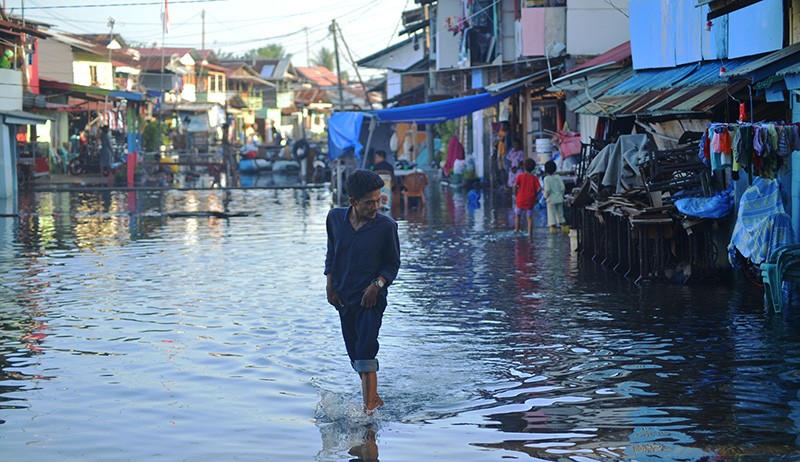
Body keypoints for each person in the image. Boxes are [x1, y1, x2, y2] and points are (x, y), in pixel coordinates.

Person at [325, 170, 401, 414]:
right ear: (353, 202)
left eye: (378, 200)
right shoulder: (335, 219)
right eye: (369, 202)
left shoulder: (386, 227)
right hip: (343, 298)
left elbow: (392, 264)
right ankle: (374, 397)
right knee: (355, 355)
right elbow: (332, 254)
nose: (375, 206)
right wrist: (330, 285)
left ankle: (368, 412)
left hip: (371, 299)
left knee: (366, 349)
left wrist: (376, 285)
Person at [513, 157, 541, 235]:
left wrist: (516, 194)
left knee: (517, 215)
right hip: (530, 200)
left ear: (524, 166)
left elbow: (515, 185)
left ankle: (517, 230)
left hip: (520, 199)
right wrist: (534, 194)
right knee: (529, 218)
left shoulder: (520, 176)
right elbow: (539, 188)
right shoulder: (534, 178)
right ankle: (530, 233)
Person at [543, 160, 568, 233]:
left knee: (552, 217)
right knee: (561, 215)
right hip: (559, 199)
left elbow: (547, 190)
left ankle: (553, 232)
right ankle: (565, 231)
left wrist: (545, 197)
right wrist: (561, 195)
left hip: (551, 200)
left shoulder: (546, 179)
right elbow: (563, 188)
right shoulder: (558, 177)